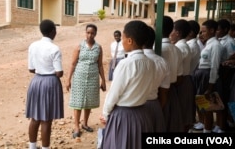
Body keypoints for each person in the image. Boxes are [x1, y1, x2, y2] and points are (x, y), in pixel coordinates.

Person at [100, 20, 158, 149]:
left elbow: (114, 93)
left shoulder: (126, 64)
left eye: (123, 38)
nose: (122, 42)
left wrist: (105, 113)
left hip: (123, 115)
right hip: (142, 115)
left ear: (130, 41)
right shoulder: (151, 63)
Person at [26, 19, 64, 149]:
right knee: (46, 119)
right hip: (50, 82)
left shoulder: (33, 45)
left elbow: (31, 69)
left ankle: (32, 146)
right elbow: (59, 72)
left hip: (36, 81)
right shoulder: (54, 48)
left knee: (35, 117)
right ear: (53, 31)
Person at [66, 24, 106, 139]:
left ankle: (85, 123)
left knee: (88, 101)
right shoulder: (79, 46)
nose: (90, 35)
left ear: (95, 34)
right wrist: (68, 80)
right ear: (85, 33)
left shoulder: (98, 48)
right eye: (88, 32)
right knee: (78, 102)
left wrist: (103, 80)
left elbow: (100, 65)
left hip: (93, 78)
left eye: (92, 33)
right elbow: (73, 64)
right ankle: (76, 126)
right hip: (79, 77)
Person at [193, 19, 223, 133]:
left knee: (207, 106)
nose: (201, 34)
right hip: (202, 76)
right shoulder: (208, 44)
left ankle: (207, 130)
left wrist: (210, 86)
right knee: (203, 105)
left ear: (212, 31)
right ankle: (206, 127)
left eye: (204, 31)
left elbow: (215, 66)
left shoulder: (215, 45)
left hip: (207, 77)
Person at [143, 26, 170, 132]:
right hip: (155, 105)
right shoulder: (162, 62)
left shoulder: (130, 62)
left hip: (137, 107)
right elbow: (164, 93)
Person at [159, 16, 183, 132]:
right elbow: (179, 78)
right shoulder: (177, 50)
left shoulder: (156, 49)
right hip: (172, 91)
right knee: (170, 124)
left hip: (158, 92)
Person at [170, 19, 193, 132]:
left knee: (181, 114)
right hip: (184, 80)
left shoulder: (180, 47)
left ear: (178, 33)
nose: (170, 33)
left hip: (181, 82)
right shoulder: (182, 46)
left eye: (172, 30)